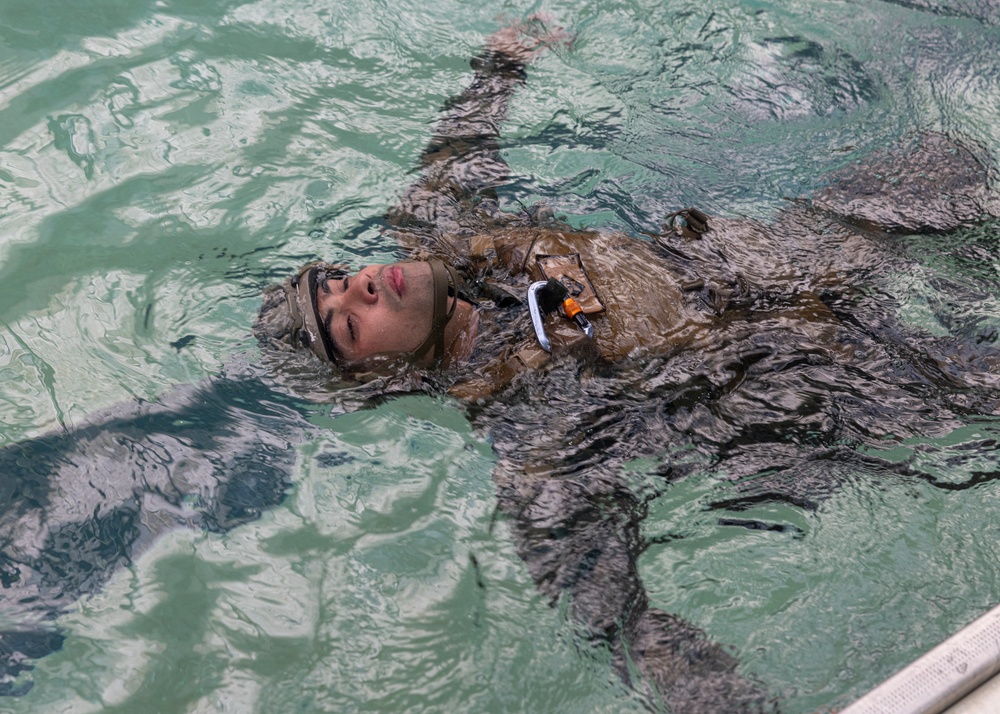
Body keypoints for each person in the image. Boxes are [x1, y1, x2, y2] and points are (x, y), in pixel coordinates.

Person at [251, 16, 999, 714]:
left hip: (768, 259)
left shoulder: (438, 232)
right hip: (817, 374)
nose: (363, 285)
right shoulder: (532, 437)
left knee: (939, 162)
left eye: (340, 278)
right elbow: (612, 614)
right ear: (383, 378)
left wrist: (502, 62)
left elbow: (456, 151)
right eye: (351, 323)